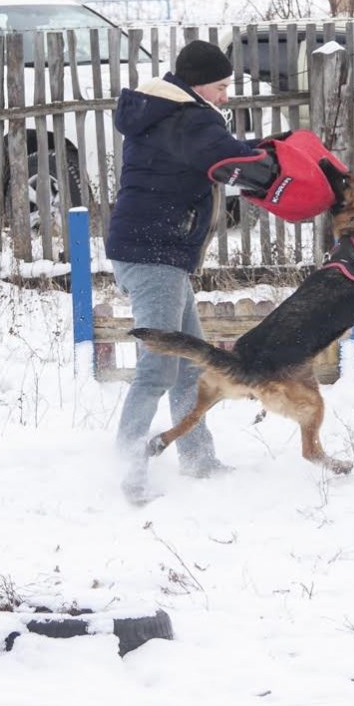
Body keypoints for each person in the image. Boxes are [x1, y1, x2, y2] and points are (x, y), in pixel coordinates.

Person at [106, 39, 269, 504]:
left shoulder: (164, 112)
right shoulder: (188, 118)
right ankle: (129, 470)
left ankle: (198, 460)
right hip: (153, 255)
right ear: (198, 86)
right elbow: (230, 159)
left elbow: (224, 150)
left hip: (154, 252)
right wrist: (278, 161)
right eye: (221, 87)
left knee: (189, 367)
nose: (225, 96)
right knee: (157, 368)